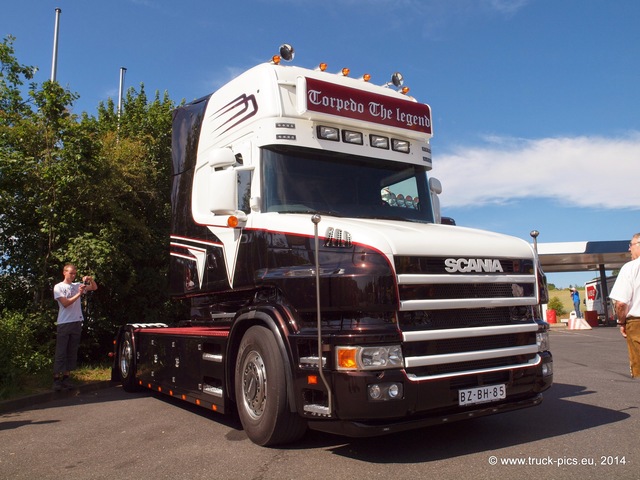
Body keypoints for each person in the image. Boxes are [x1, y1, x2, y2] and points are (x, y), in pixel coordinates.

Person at [52, 264, 98, 391]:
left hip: (76, 322)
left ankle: (66, 377)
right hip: (64, 323)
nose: (73, 276)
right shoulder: (59, 287)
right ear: (64, 272)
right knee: (61, 351)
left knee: (71, 351)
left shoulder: (77, 285)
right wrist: (79, 294)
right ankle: (56, 379)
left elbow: (94, 287)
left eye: (74, 274)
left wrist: (90, 279)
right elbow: (65, 303)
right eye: (71, 273)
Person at [609, 233, 640, 378]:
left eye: (631, 245)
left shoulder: (630, 268)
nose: (629, 249)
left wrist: (622, 322)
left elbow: (621, 303)